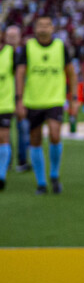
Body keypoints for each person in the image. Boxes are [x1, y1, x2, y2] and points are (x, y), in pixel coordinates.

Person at [15, 15, 79, 194]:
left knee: (55, 133)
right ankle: (41, 183)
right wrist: (19, 100)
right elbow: (20, 74)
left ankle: (54, 174)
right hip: (33, 101)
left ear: (53, 28)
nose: (43, 28)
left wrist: (74, 98)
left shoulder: (60, 47)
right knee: (35, 140)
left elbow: (71, 74)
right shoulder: (28, 48)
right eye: (40, 25)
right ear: (35, 29)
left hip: (55, 100)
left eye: (47, 25)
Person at [0, 26, 25, 189]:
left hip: (5, 103)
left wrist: (19, 100)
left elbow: (19, 77)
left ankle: (2, 174)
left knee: (5, 138)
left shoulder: (12, 53)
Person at [4, 26, 31, 173]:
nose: (12, 39)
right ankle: (6, 160)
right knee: (5, 133)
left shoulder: (24, 53)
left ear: (19, 37)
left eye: (14, 36)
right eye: (9, 36)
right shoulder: (3, 54)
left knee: (23, 130)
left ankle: (22, 160)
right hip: (5, 99)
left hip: (21, 98)